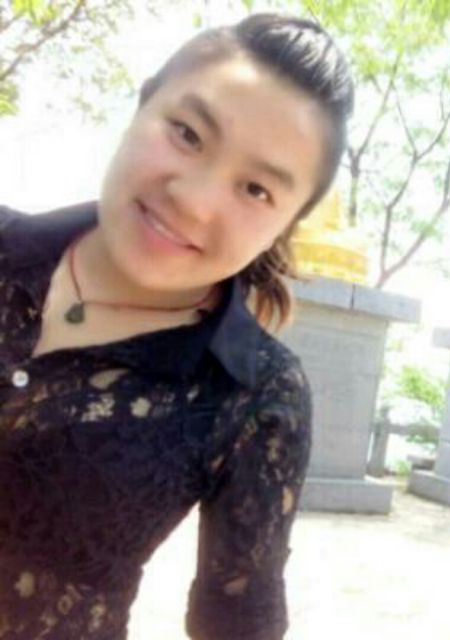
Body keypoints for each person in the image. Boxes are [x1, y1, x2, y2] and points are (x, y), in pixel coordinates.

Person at [0, 12, 354, 639]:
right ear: (142, 105)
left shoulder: (256, 396)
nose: (194, 199)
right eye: (188, 134)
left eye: (256, 189)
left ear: (286, 225)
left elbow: (237, 622)